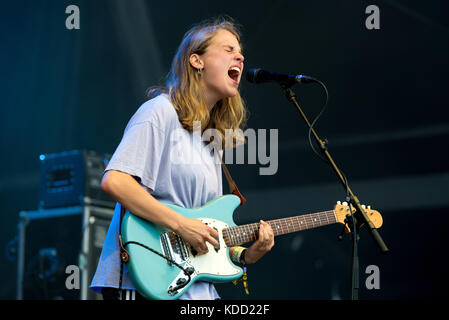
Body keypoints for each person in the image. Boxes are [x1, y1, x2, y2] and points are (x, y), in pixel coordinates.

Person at [90, 16, 275, 300]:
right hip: (142, 280)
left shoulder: (211, 138)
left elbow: (206, 230)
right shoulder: (159, 112)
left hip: (196, 291)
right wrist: (180, 224)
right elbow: (115, 181)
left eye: (240, 52)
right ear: (196, 61)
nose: (240, 56)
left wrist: (248, 254)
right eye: (227, 49)